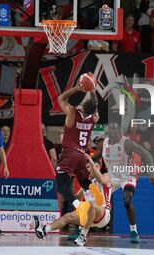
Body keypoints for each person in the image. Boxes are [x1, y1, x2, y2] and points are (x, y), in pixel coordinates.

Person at [34, 153, 112, 246]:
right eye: (88, 166)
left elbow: (102, 181)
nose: (90, 168)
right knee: (68, 216)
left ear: (98, 167)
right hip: (89, 218)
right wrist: (65, 186)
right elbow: (76, 197)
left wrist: (91, 161)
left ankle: (83, 235)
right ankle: (44, 230)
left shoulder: (106, 176)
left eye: (94, 166)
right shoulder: (85, 184)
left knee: (92, 204)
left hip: (103, 216)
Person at [102, 123, 154, 243]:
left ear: (120, 132)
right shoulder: (104, 143)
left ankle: (134, 231)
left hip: (127, 177)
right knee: (94, 198)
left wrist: (151, 174)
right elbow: (97, 156)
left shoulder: (127, 143)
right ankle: (81, 229)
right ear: (108, 132)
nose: (115, 135)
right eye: (112, 132)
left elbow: (147, 154)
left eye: (117, 132)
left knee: (127, 200)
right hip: (112, 177)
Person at [56, 77, 99, 223]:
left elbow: (61, 98)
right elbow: (94, 106)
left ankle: (78, 205)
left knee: (61, 185)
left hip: (70, 154)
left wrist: (78, 88)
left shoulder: (73, 113)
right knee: (85, 183)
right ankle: (94, 204)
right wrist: (92, 90)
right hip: (83, 156)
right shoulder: (94, 118)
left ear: (82, 105)